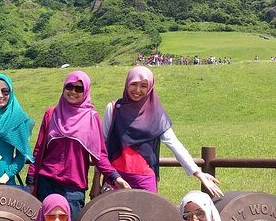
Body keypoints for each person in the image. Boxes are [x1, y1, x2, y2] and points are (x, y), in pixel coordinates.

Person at [93, 66, 222, 197]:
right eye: (134, 84)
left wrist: (198, 173)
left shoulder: (156, 114)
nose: (137, 90)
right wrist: (96, 180)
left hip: (145, 179)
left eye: (143, 86)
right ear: (127, 83)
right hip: (115, 177)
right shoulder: (114, 108)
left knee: (150, 216)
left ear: (150, 88)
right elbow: (102, 148)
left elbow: (174, 144)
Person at [26, 71, 126, 219]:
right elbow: (39, 150)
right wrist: (31, 180)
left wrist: (116, 178)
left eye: (79, 89)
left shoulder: (92, 118)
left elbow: (100, 155)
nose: (73, 92)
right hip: (46, 184)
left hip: (73, 188)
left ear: (85, 92)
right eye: (69, 87)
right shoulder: (51, 113)